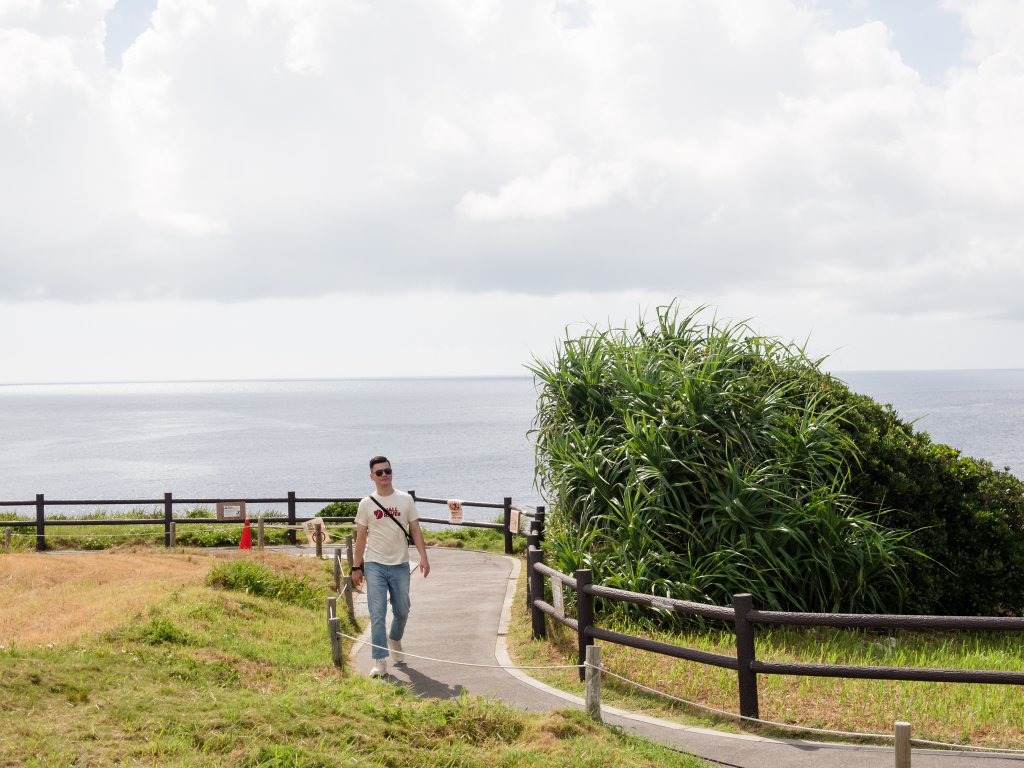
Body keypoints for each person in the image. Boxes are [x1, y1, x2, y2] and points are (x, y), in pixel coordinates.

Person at [350, 455, 431, 678]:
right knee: (377, 613)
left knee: (403, 610)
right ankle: (380, 660)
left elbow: (415, 530)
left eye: (387, 471)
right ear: (371, 477)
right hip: (375, 564)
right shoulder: (366, 504)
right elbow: (361, 538)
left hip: (400, 564)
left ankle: (395, 638)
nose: (384, 475)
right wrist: (357, 567)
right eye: (379, 472)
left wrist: (423, 557)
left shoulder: (405, 500)